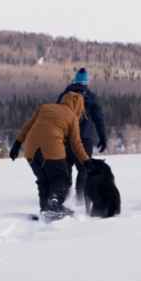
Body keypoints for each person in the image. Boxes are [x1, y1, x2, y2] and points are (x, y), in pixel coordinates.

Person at [9, 92, 92, 220]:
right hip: (51, 147)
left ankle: (45, 208)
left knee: (44, 180)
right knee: (61, 178)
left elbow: (28, 126)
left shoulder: (45, 107)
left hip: (30, 149)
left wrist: (16, 145)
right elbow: (76, 143)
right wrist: (86, 161)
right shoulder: (72, 117)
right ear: (78, 106)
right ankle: (54, 205)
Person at [57, 68, 108, 201]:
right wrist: (103, 137)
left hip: (66, 138)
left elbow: (56, 117)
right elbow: (98, 118)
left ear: (75, 80)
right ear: (86, 82)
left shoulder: (64, 95)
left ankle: (64, 198)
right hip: (85, 138)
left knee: (66, 168)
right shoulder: (91, 97)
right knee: (84, 169)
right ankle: (80, 199)